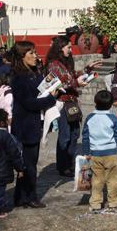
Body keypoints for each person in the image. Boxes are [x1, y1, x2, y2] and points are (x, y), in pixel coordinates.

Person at [10, 41, 57, 209]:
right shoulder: (19, 77)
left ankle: (21, 196)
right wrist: (50, 99)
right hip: (25, 124)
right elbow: (29, 103)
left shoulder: (34, 73)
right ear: (22, 56)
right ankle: (29, 196)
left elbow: (40, 90)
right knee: (28, 164)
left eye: (35, 52)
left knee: (30, 162)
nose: (36, 56)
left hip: (35, 123)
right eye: (31, 53)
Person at [46, 36, 101, 177]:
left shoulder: (64, 63)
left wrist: (88, 70)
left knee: (75, 134)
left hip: (72, 102)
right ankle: (63, 166)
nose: (70, 50)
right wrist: (76, 83)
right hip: (63, 103)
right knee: (65, 135)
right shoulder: (53, 65)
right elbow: (59, 84)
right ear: (60, 47)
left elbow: (72, 76)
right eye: (68, 47)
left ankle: (69, 163)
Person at [82, 90, 117, 213]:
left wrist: (86, 152)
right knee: (113, 180)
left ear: (95, 102)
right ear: (111, 104)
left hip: (95, 153)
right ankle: (113, 203)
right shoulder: (112, 118)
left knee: (96, 180)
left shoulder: (90, 118)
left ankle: (95, 204)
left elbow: (85, 136)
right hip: (111, 153)